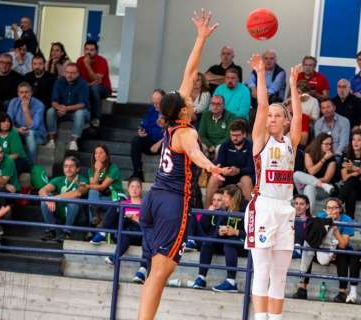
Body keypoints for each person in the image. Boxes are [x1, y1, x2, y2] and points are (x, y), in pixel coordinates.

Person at [136, 11, 229, 320]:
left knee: (157, 270)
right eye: (187, 99)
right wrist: (213, 167)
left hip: (154, 199)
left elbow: (190, 73)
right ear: (184, 109)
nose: (190, 97)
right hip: (172, 202)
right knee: (162, 271)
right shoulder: (187, 131)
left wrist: (200, 38)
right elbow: (195, 154)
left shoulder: (174, 122)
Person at [244, 47, 303, 320]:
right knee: (263, 271)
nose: (272, 118)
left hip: (285, 208)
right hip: (263, 206)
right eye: (271, 116)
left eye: (279, 115)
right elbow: (263, 106)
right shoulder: (261, 139)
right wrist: (260, 74)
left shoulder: (290, 141)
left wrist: (292, 85)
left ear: (286, 120)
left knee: (280, 275)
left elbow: (299, 119)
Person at [292, 198, 357, 304]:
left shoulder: (346, 219)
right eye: (329, 208)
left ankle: (342, 292)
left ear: (340, 209)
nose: (331, 210)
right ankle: (302, 288)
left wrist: (335, 229)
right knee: (308, 246)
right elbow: (314, 238)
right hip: (322, 248)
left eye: (335, 207)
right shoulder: (322, 216)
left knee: (342, 252)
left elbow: (343, 244)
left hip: (338, 251)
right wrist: (328, 221)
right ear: (325, 209)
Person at [190, 184, 247, 292]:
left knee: (229, 243)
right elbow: (215, 231)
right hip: (227, 243)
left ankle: (231, 282)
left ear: (232, 198)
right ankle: (201, 278)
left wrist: (236, 232)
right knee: (209, 242)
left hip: (242, 244)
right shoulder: (223, 210)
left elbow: (252, 235)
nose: (223, 199)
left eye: (225, 197)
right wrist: (220, 232)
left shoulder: (246, 209)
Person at [94, 177, 150, 284]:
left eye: (138, 187)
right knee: (117, 207)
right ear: (128, 189)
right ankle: (103, 232)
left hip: (139, 233)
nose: (135, 189)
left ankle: (114, 257)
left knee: (128, 225)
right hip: (124, 232)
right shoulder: (124, 203)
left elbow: (148, 225)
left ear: (141, 190)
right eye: (132, 186)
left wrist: (136, 219)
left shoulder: (145, 205)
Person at [38, 156, 88, 242]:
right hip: (60, 214)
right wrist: (48, 199)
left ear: (77, 169)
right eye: (66, 166)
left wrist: (54, 198)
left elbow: (77, 193)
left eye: (71, 166)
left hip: (78, 217)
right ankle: (51, 231)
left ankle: (66, 233)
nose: (68, 169)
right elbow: (42, 190)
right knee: (44, 201)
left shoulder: (83, 181)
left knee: (73, 201)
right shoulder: (58, 180)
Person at [205, 119, 253, 206]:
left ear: (244, 134)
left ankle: (248, 213)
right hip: (227, 176)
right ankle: (207, 211)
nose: (234, 138)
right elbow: (219, 164)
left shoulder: (251, 147)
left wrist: (238, 171)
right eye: (232, 135)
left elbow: (252, 168)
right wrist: (223, 170)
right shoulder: (225, 146)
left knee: (246, 180)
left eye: (238, 135)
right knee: (214, 179)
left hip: (243, 176)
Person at [46, 62, 90, 151]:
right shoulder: (59, 82)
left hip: (79, 111)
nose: (69, 75)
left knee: (80, 113)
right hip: (62, 112)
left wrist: (65, 108)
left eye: (73, 73)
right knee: (50, 111)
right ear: (64, 72)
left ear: (78, 74)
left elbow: (82, 104)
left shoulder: (83, 83)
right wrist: (60, 108)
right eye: (67, 72)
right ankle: (51, 141)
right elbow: (54, 102)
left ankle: (74, 142)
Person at [86, 144, 126, 229]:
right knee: (92, 194)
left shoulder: (113, 168)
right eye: (96, 153)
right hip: (100, 199)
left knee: (91, 200)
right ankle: (95, 219)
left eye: (101, 152)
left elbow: (103, 187)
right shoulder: (91, 170)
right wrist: (97, 170)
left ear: (107, 155)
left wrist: (87, 186)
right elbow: (93, 186)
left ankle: (91, 228)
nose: (98, 155)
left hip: (115, 198)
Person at [293, 133, 336, 211]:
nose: (329, 147)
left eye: (330, 144)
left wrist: (325, 159)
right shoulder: (309, 153)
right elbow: (312, 171)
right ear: (319, 144)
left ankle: (307, 215)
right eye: (326, 144)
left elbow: (326, 179)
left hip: (323, 190)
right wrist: (323, 159)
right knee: (296, 174)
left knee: (310, 187)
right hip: (305, 186)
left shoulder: (331, 159)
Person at [130, 89, 165, 181]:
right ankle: (137, 173)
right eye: (154, 102)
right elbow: (143, 125)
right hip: (150, 141)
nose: (155, 105)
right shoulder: (152, 110)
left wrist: (159, 143)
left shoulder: (170, 112)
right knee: (136, 141)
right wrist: (140, 131)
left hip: (164, 143)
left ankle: (164, 177)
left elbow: (172, 132)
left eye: (158, 103)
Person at [339, 130, 361, 218]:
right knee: (352, 191)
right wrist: (359, 169)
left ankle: (338, 202)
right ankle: (350, 220)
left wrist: (352, 169)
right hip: (350, 188)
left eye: (359, 140)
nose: (355, 142)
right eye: (353, 140)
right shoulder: (345, 156)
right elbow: (344, 177)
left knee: (353, 179)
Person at [7, 82, 46, 161]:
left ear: (31, 93)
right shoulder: (13, 102)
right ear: (18, 93)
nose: (24, 95)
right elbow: (8, 122)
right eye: (21, 92)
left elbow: (32, 126)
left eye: (26, 92)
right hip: (18, 132)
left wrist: (25, 109)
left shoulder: (39, 105)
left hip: (37, 134)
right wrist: (17, 130)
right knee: (7, 131)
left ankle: (32, 165)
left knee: (30, 133)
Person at [76, 40, 111, 127]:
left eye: (91, 50)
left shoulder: (102, 61)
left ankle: (96, 118)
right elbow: (77, 78)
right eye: (87, 49)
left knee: (94, 88)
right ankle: (82, 117)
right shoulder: (80, 60)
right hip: (86, 87)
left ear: (96, 51)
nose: (88, 52)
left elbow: (97, 80)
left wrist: (87, 65)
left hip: (103, 88)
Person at [292, 194, 311, 259]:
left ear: (307, 206)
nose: (298, 206)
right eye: (296, 203)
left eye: (301, 204)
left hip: (301, 250)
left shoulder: (311, 221)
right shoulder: (289, 219)